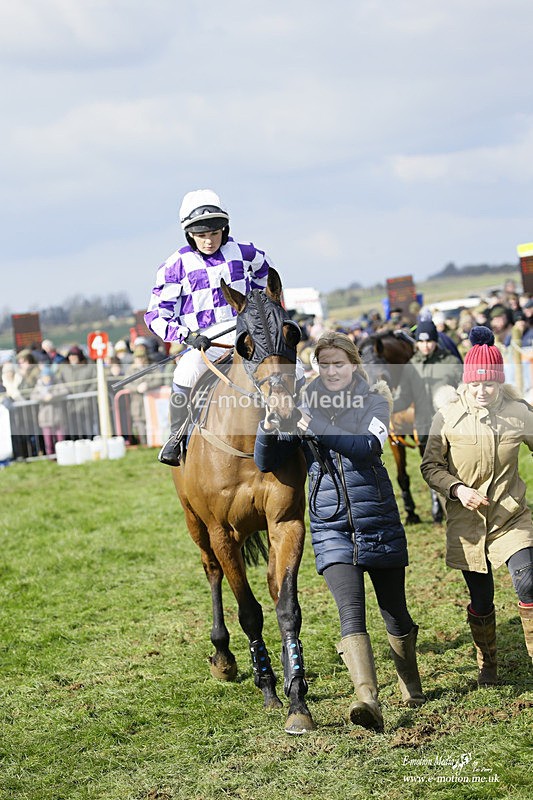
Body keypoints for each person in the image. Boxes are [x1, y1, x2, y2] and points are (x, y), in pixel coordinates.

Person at [254, 331, 425, 730]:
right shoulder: (301, 403)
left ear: (353, 364)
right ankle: (367, 699)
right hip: (330, 525)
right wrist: (269, 421)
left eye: (338, 363)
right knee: (351, 614)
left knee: (395, 613)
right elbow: (266, 460)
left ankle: (410, 682)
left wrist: (309, 423)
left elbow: (368, 447)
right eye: (323, 364)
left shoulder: (375, 400)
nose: (330, 371)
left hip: (377, 517)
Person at [421, 326, 533, 685]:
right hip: (468, 522)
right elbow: (429, 466)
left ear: (499, 383)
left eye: (489, 384)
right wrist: (457, 489)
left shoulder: (519, 413)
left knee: (528, 582)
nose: (482, 391)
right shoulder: (448, 416)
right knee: (482, 601)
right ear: (465, 383)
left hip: (512, 516)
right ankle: (488, 665)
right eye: (475, 384)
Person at [145, 188, 274, 466]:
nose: (208, 240)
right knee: (187, 372)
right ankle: (176, 437)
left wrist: (259, 307)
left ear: (224, 229)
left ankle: (308, 432)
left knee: (292, 368)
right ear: (189, 233)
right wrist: (187, 336)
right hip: (206, 341)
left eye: (214, 233)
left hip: (245, 335)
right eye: (201, 234)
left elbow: (267, 273)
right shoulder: (175, 264)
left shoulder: (245, 251)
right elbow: (156, 315)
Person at [393, 319, 463, 522]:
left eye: (430, 341)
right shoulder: (411, 367)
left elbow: (465, 391)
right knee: (440, 480)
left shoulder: (450, 362)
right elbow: (404, 398)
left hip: (453, 430)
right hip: (425, 432)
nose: (426, 346)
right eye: (422, 342)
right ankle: (455, 524)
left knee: (459, 475)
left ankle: (465, 519)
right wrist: (385, 404)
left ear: (435, 340)